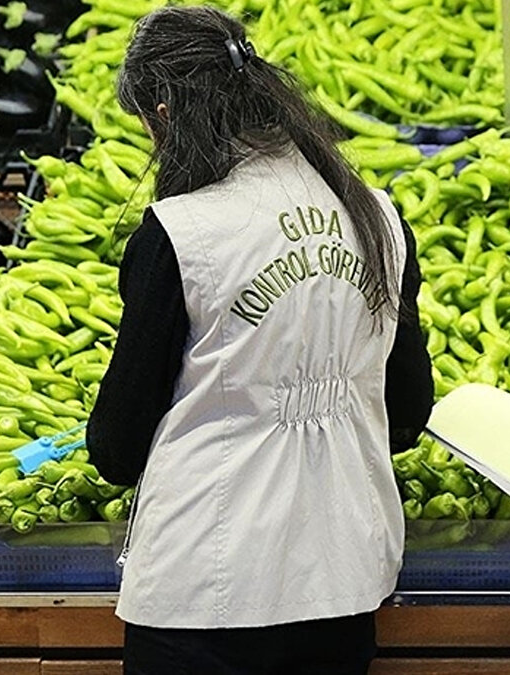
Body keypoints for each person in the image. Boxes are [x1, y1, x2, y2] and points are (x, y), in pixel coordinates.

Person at [83, 7, 433, 674]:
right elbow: (408, 413)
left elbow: (118, 447)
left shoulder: (180, 233)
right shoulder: (378, 216)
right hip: (344, 580)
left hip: (205, 592)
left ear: (164, 113)